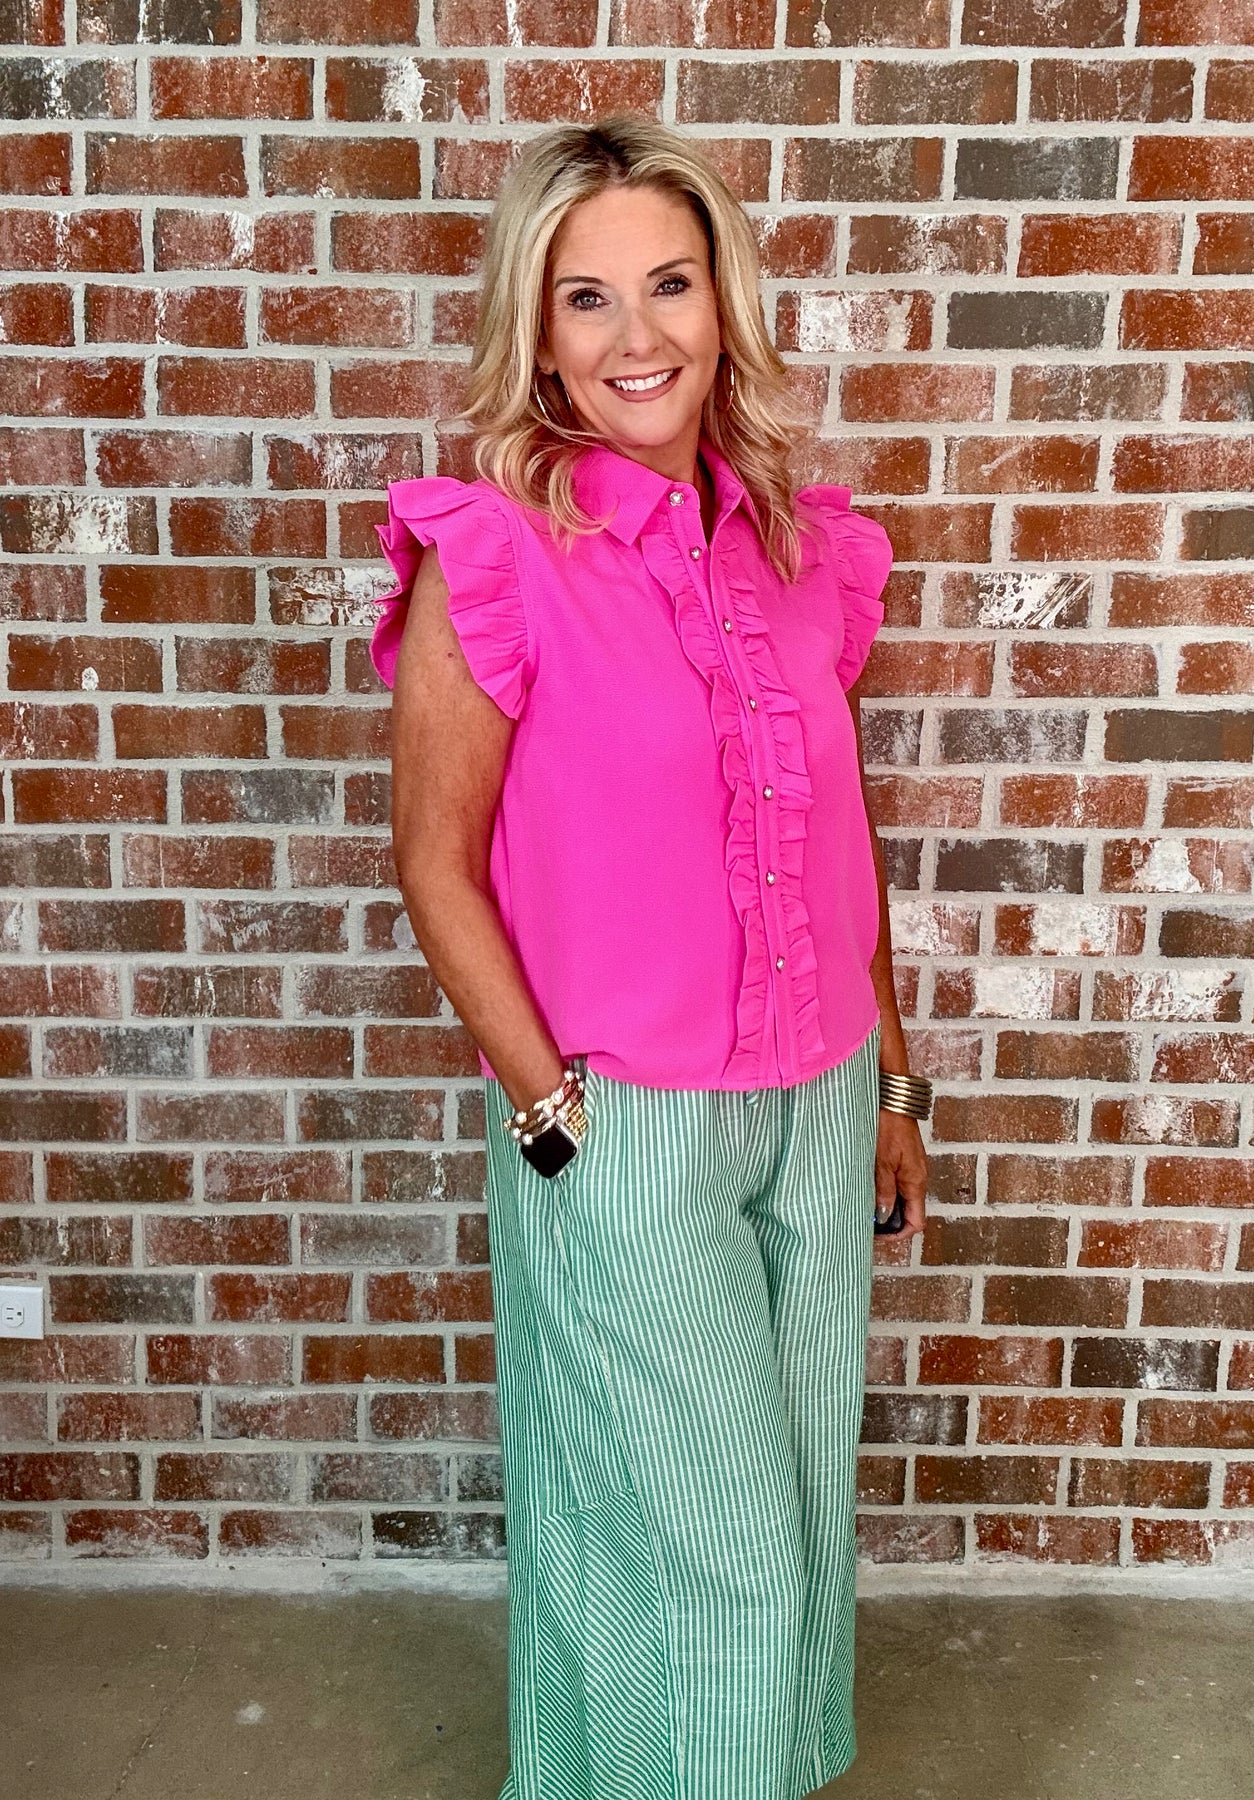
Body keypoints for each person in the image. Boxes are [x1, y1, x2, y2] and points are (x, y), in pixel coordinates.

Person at [370, 111, 930, 1800]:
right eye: (587, 296)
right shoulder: (495, 555)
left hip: (820, 1100)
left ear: (722, 300)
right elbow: (434, 862)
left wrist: (895, 1084)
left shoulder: (802, 551)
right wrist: (550, 1114)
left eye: (670, 284)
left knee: (792, 1516)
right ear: (535, 332)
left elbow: (834, 843)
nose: (639, 335)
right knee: (715, 1542)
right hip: (624, 1113)